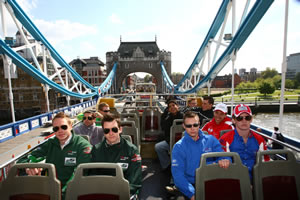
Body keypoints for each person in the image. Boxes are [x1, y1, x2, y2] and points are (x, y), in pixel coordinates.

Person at [18, 112, 92, 197]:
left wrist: (63, 192)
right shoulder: (50, 144)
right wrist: (29, 166)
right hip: (49, 189)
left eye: (64, 127)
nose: (60, 131)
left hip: (72, 192)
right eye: (56, 128)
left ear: (71, 126)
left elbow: (81, 173)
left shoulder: (82, 146)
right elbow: (23, 160)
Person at [172, 111, 230, 200]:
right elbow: (178, 175)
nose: (192, 128)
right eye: (188, 126)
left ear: (199, 124)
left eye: (195, 125)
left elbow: (223, 154)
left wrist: (224, 159)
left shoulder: (211, 140)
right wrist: (192, 194)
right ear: (184, 126)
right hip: (191, 184)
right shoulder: (179, 147)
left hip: (212, 182)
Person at [91, 113, 142, 196]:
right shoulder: (96, 150)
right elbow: (92, 176)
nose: (111, 133)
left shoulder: (132, 151)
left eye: (114, 129)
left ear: (120, 129)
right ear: (103, 132)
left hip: (124, 193)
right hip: (101, 192)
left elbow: (134, 182)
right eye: (107, 130)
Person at [219, 104, 269, 181]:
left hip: (256, 181)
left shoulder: (260, 140)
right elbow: (223, 160)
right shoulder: (225, 139)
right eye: (240, 118)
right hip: (233, 181)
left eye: (247, 118)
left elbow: (265, 164)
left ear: (251, 119)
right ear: (233, 120)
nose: (244, 121)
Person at [155, 100, 183, 171]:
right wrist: (167, 116)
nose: (172, 107)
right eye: (170, 106)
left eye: (173, 105)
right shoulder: (167, 117)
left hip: (183, 142)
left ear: (177, 106)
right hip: (170, 141)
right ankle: (167, 166)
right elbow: (164, 128)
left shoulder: (184, 116)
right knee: (158, 147)